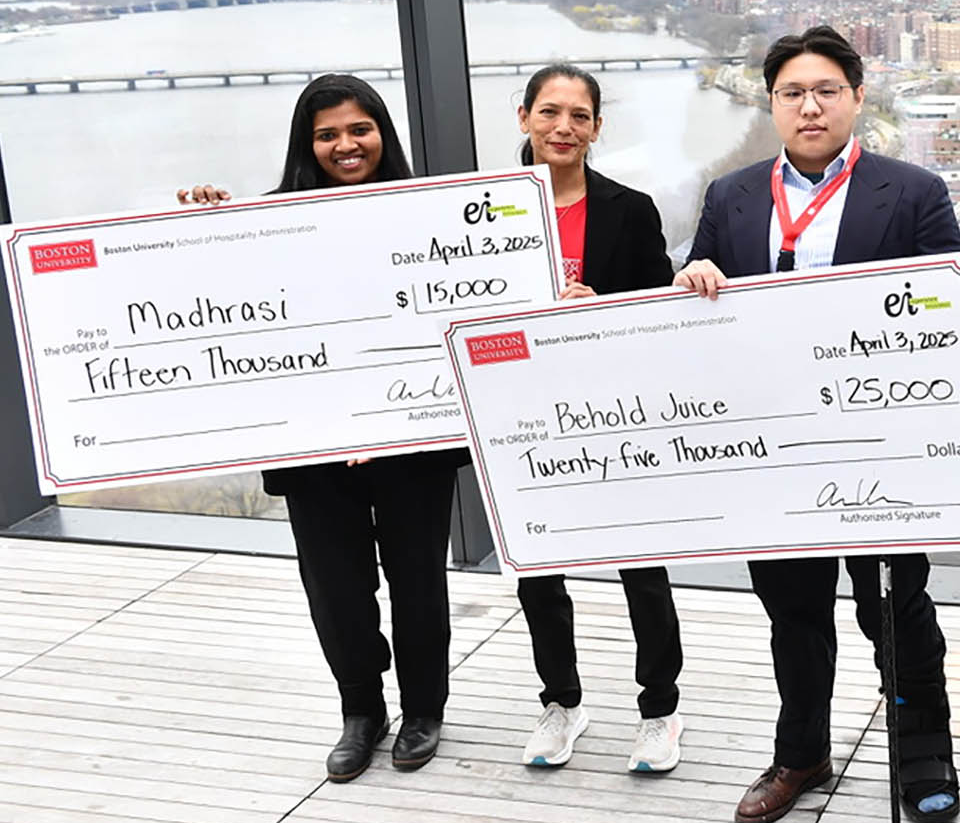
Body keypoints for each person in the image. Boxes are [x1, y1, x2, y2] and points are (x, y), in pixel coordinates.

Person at [674, 24, 960, 823]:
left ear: (857, 98)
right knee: (794, 610)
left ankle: (922, 750)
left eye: (827, 90)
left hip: (878, 445)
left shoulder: (913, 192)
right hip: (774, 450)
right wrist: (692, 278)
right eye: (793, 92)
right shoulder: (730, 198)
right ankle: (800, 749)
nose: (810, 106)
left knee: (895, 609)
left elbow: (946, 310)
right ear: (771, 104)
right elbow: (701, 312)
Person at [178, 74, 466, 782]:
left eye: (359, 129)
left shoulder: (428, 213)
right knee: (335, 589)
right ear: (307, 144)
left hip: (408, 439)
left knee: (419, 582)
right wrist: (203, 223)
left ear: (382, 133)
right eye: (328, 133)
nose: (346, 144)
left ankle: (423, 707)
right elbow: (206, 292)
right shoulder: (265, 220)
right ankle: (360, 711)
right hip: (312, 446)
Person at [506, 63, 688, 774]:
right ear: (522, 117)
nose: (563, 128)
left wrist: (599, 308)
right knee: (538, 574)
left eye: (579, 116)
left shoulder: (630, 208)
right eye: (549, 112)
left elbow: (653, 318)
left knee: (643, 571)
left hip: (614, 414)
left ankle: (659, 711)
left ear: (597, 128)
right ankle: (562, 702)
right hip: (520, 418)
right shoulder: (480, 211)